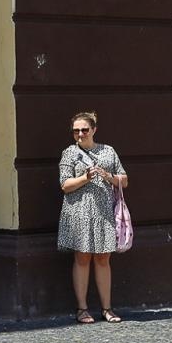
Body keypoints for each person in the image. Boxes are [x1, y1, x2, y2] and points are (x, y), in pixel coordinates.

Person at [58, 111, 127, 324]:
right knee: (82, 257)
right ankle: (82, 308)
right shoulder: (69, 153)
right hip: (79, 211)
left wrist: (108, 176)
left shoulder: (108, 151)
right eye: (76, 131)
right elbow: (65, 185)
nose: (80, 134)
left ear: (94, 130)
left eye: (84, 130)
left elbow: (124, 180)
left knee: (103, 258)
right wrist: (86, 177)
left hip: (103, 212)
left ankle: (107, 308)